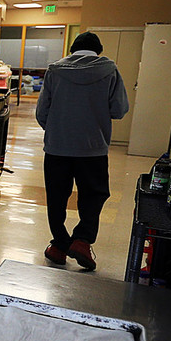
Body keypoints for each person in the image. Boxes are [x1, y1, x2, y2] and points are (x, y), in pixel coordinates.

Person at [36, 31, 130, 271]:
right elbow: (119, 109)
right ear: (98, 51)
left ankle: (58, 245)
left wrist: (59, 131)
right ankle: (82, 241)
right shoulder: (110, 71)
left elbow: (42, 112)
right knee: (94, 194)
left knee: (57, 196)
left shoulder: (54, 71)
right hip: (93, 149)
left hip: (58, 148)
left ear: (72, 49)